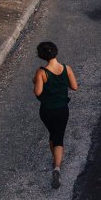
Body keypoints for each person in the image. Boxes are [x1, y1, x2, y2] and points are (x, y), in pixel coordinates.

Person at [33, 41, 79, 189]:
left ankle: (55, 161)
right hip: (62, 109)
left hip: (46, 110)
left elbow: (37, 92)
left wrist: (35, 81)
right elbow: (74, 86)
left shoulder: (42, 72)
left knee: (53, 134)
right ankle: (57, 167)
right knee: (59, 137)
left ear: (42, 55)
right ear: (56, 52)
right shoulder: (66, 68)